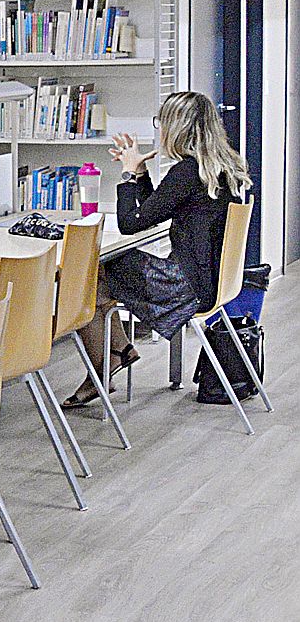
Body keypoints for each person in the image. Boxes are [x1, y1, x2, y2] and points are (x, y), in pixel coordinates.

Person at [64, 90, 252, 407]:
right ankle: (116, 353)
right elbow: (155, 210)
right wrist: (141, 174)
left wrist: (127, 175)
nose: (160, 130)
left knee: (88, 276)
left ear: (177, 127)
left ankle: (107, 363)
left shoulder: (187, 172)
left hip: (183, 288)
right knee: (101, 276)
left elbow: (131, 223)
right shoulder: (217, 169)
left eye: (161, 122)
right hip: (209, 284)